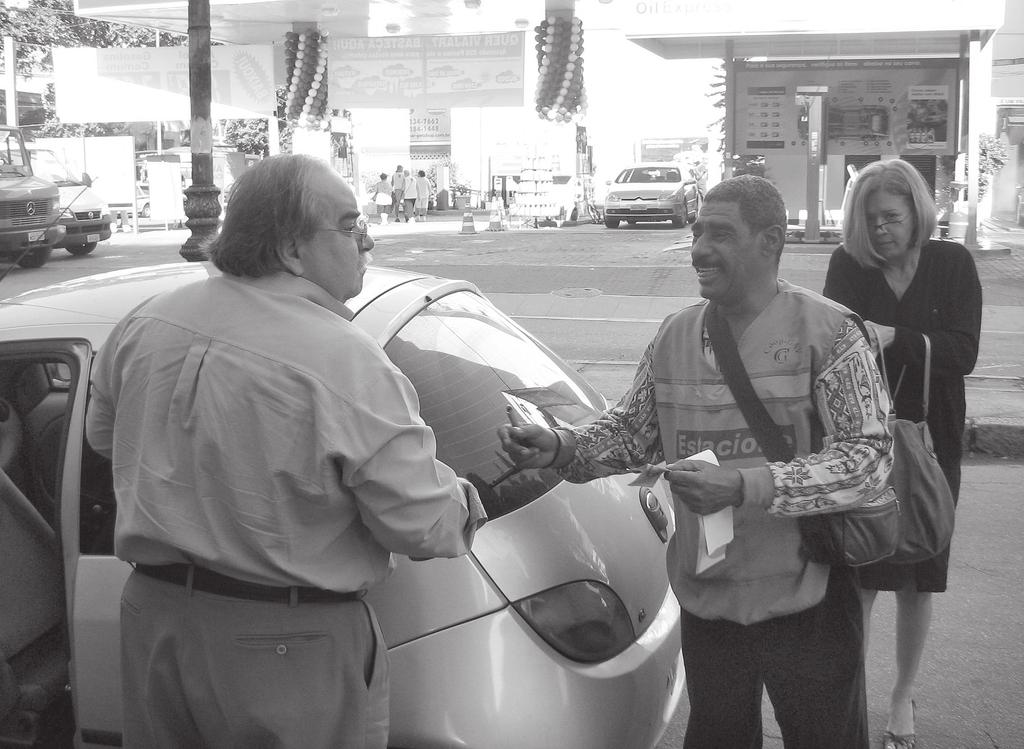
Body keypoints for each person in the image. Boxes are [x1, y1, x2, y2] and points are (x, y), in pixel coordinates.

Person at [85, 154, 486, 748]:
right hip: (287, 642)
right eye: (350, 226)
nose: (368, 238)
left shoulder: (147, 320)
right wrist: (468, 502)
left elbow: (103, 437)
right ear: (292, 249)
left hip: (155, 618)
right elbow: (423, 525)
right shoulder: (345, 357)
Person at [498, 175, 894, 749]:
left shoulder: (830, 333)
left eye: (721, 234)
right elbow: (633, 434)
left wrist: (743, 487)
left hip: (809, 598)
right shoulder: (675, 334)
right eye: (698, 231)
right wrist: (561, 446)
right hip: (710, 601)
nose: (700, 249)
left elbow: (869, 459)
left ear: (770, 242)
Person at [823, 158, 982, 749]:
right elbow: (831, 345)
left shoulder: (952, 264)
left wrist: (899, 338)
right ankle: (851, 700)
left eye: (891, 216)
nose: (881, 229)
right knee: (860, 573)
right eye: (870, 219)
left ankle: (902, 696)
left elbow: (963, 352)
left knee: (920, 575)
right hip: (864, 437)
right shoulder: (849, 265)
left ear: (917, 211)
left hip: (933, 437)